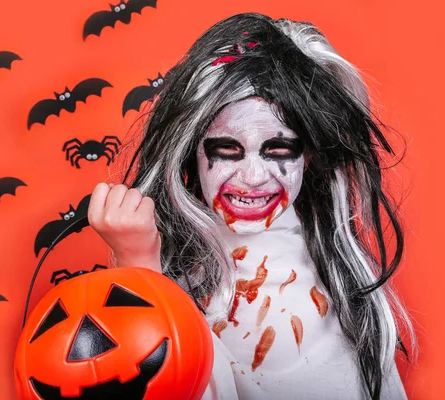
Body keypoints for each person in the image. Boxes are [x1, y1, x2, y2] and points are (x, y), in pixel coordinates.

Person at [87, 12, 415, 400]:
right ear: (192, 153)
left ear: (307, 156)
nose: (254, 176)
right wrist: (139, 267)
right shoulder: (181, 280)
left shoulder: (341, 283)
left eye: (279, 149)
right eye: (226, 150)